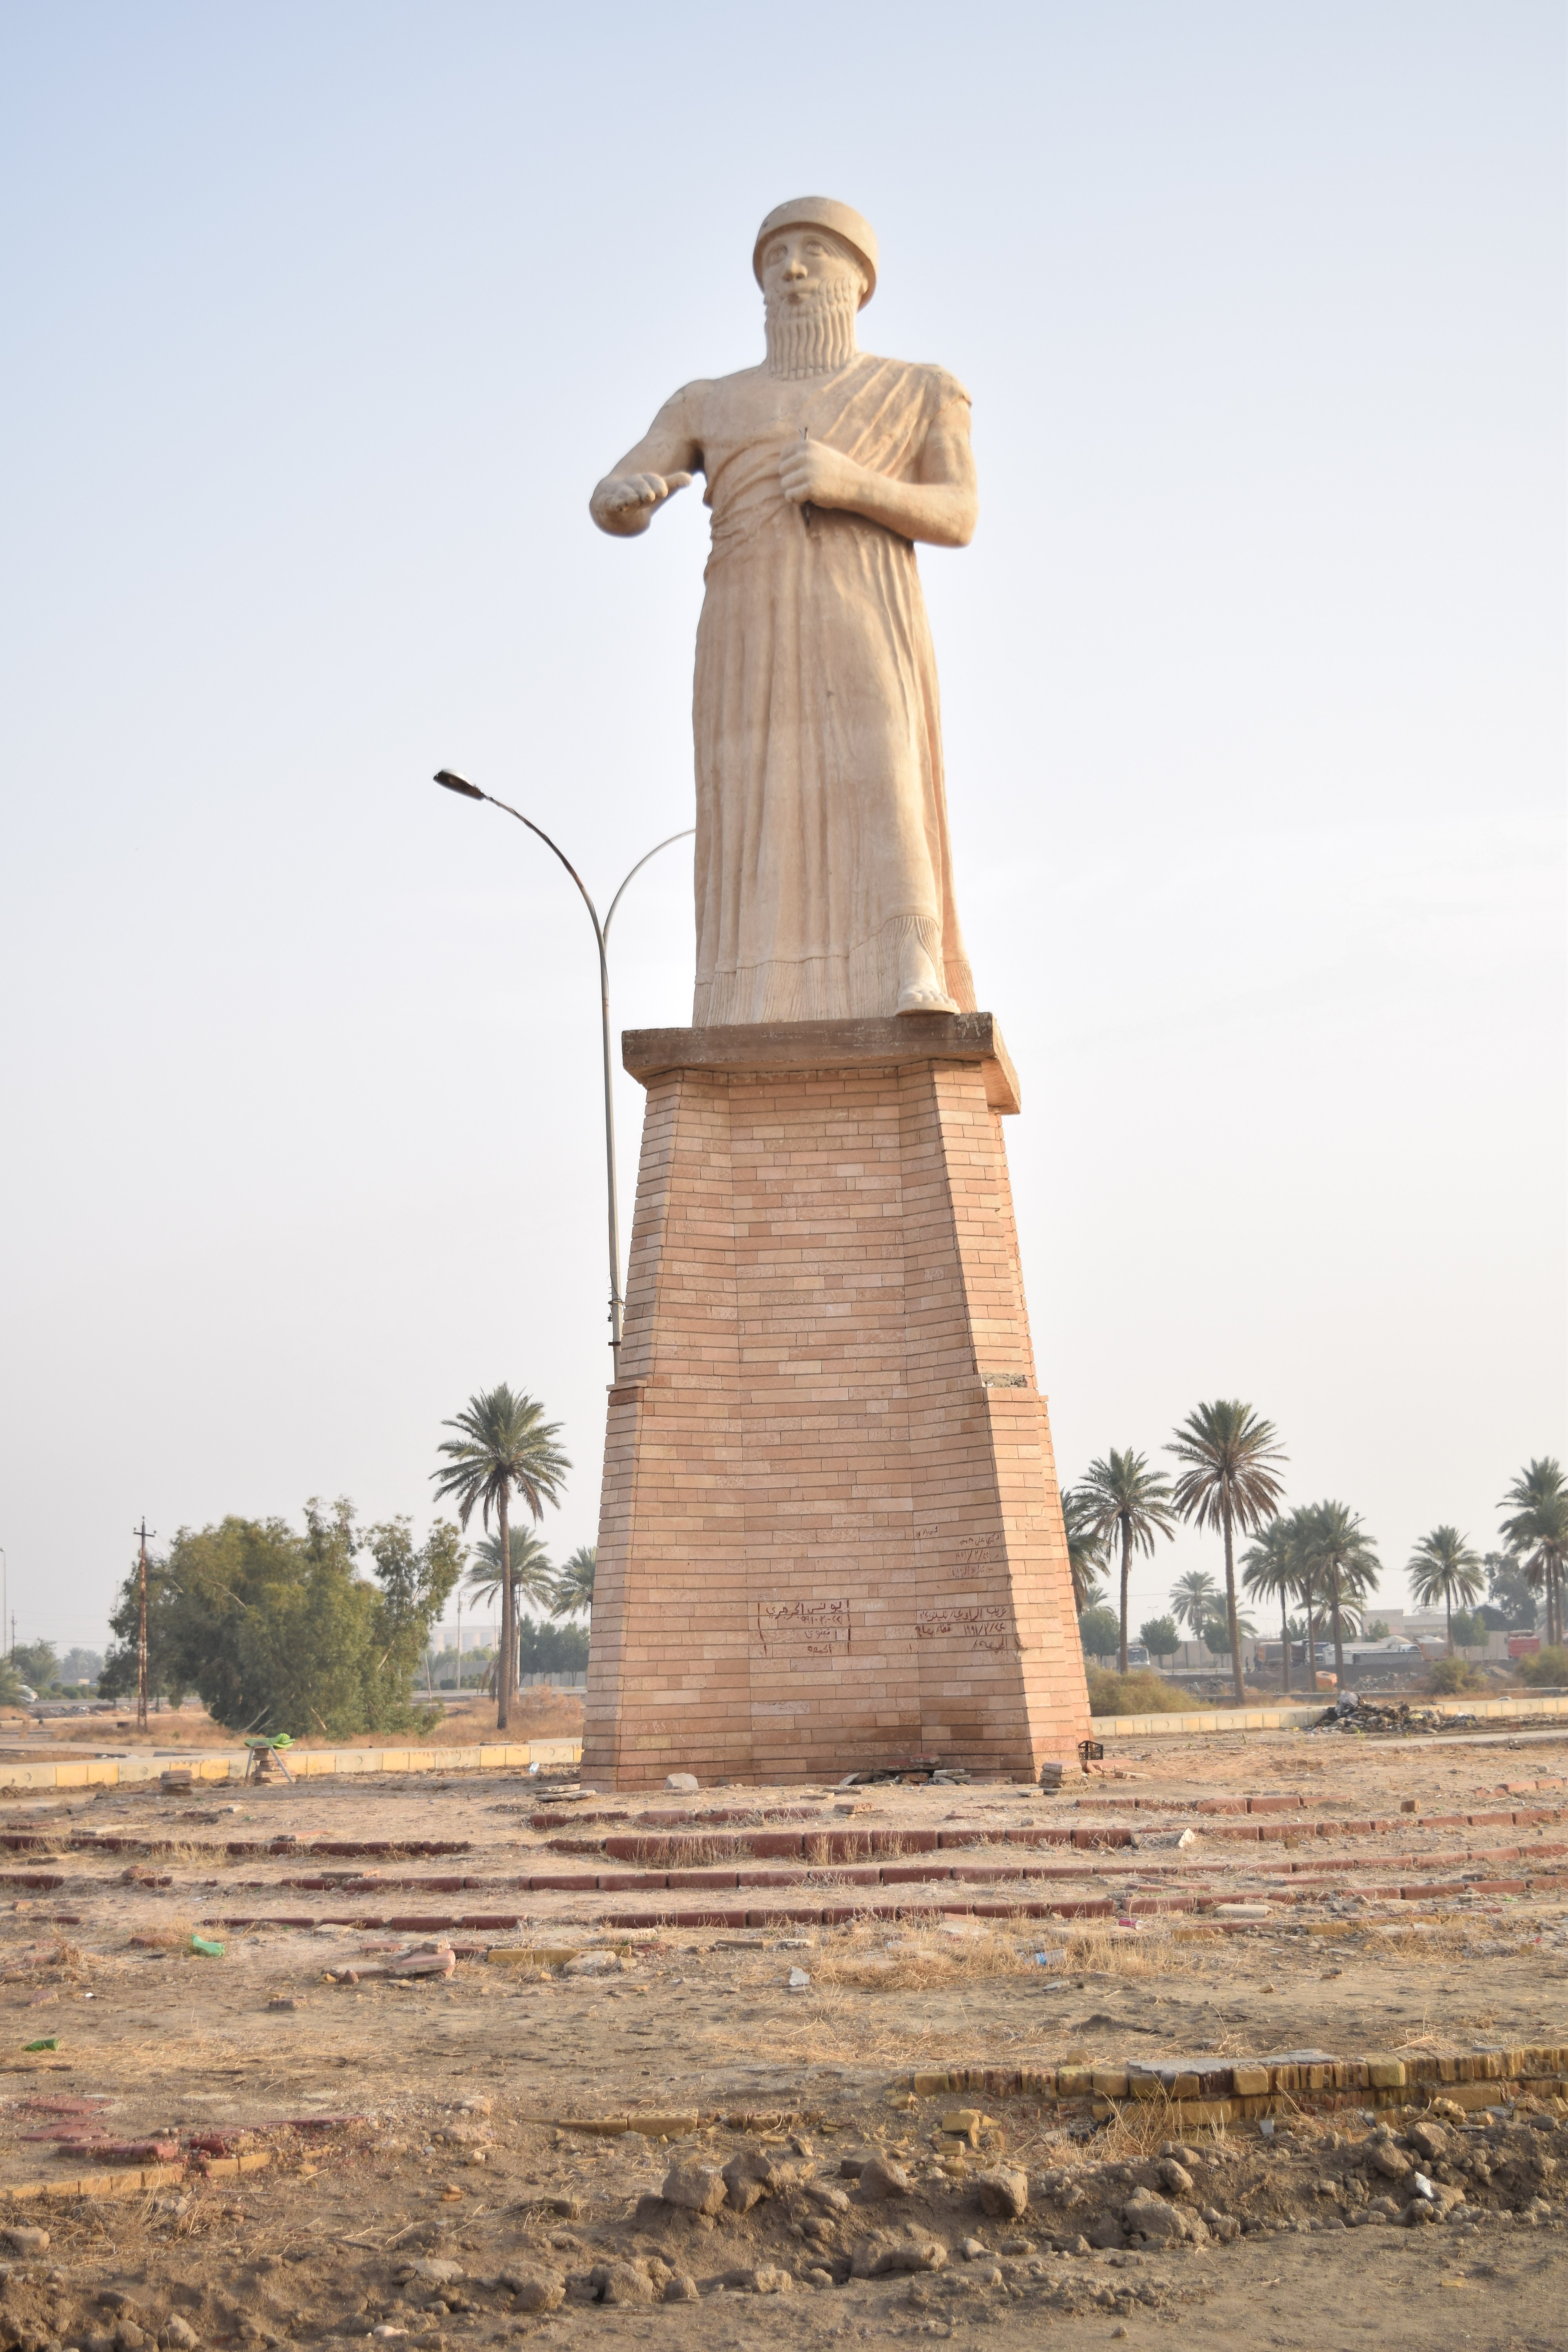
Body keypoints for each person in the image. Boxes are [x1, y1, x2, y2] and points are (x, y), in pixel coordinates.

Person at [590, 197, 979, 1025]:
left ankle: (907, 965)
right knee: (756, 795)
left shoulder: (917, 388)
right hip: (745, 615)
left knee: (883, 773)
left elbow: (958, 514)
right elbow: (616, 490)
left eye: (813, 253)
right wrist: (625, 500)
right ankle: (746, 989)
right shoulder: (706, 402)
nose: (792, 270)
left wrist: (852, 484)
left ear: (858, 279)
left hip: (861, 604)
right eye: (776, 258)